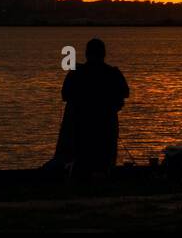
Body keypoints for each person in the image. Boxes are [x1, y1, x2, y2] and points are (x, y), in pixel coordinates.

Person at [53, 38, 130, 177]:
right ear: (104, 54)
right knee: (104, 159)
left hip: (80, 125)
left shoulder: (76, 73)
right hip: (104, 125)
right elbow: (124, 94)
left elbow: (65, 95)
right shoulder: (113, 73)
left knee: (81, 159)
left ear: (87, 53)